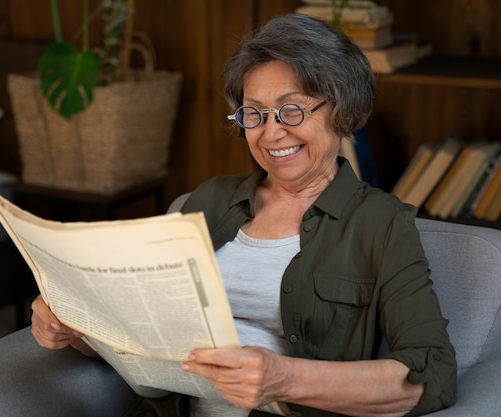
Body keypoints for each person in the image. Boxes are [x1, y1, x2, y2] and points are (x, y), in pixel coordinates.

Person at [30, 12, 457, 417]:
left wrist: (285, 379)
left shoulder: (380, 223)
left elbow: (431, 377)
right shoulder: (210, 199)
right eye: (254, 113)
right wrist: (77, 330)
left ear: (341, 108)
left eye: (292, 109)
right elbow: (143, 333)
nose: (271, 132)